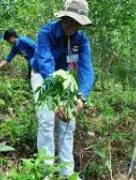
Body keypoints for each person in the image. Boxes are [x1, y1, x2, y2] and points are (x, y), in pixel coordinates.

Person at [30, 0, 94, 178]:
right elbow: (45, 64)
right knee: (46, 120)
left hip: (64, 78)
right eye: (69, 20)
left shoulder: (81, 40)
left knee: (68, 123)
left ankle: (67, 173)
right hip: (42, 76)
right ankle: (46, 172)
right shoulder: (46, 32)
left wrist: (81, 98)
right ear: (63, 17)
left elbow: (86, 69)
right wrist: (56, 99)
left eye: (77, 22)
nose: (72, 25)